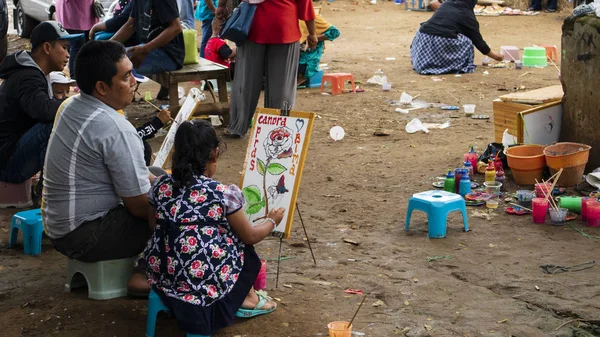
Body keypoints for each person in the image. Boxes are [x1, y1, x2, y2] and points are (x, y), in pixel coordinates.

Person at [144, 119, 284, 335]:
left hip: (162, 274)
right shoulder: (222, 193)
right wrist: (272, 220)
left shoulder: (160, 187)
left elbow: (154, 228)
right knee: (245, 251)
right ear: (214, 154)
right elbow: (250, 236)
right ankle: (246, 300)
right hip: (200, 282)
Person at [43, 40, 157, 294]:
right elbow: (139, 206)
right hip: (85, 237)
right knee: (184, 214)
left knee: (160, 179)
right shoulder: (114, 127)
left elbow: (143, 176)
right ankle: (149, 273)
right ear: (102, 87)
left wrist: (162, 183)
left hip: (59, 228)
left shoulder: (72, 105)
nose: (134, 82)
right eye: (126, 76)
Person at [216, 0, 318, 138]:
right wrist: (312, 32)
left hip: (252, 25)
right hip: (284, 27)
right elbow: (305, 4)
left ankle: (237, 126)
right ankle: (277, 127)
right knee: (282, 86)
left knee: (246, 80)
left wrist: (222, 5)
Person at [0, 21, 82, 185]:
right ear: (47, 48)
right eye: (64, 47)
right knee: (56, 120)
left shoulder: (32, 72)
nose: (68, 54)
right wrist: (80, 104)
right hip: (8, 166)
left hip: (9, 157)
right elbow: (43, 111)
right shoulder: (28, 76)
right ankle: (51, 187)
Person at [111, 0, 185, 100]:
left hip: (168, 54)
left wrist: (145, 49)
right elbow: (130, 25)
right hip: (148, 48)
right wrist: (106, 46)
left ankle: (115, 108)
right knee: (108, 57)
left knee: (113, 63)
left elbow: (176, 27)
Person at [410, 0, 503, 75]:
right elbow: (478, 42)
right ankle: (450, 65)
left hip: (423, 39)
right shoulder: (466, 15)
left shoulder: (446, 4)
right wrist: (495, 56)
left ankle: (426, 63)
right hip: (439, 41)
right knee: (467, 41)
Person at [55, 0, 98, 79]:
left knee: (83, 48)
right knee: (77, 48)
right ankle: (75, 79)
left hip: (81, 11)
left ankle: (81, 77)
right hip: (75, 13)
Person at [297, 14, 339, 86]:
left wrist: (314, 38)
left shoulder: (311, 17)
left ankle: (301, 77)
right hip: (296, 50)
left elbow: (334, 32)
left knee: (302, 70)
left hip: (309, 52)